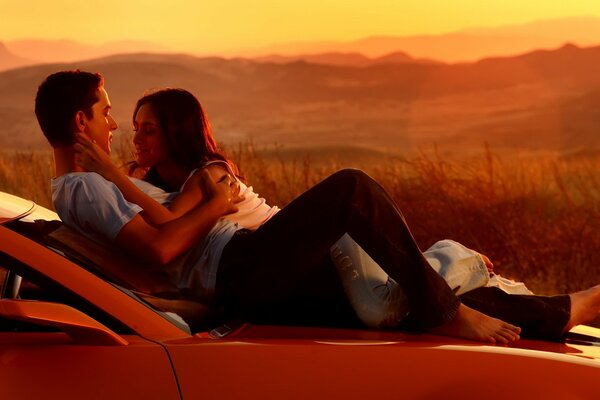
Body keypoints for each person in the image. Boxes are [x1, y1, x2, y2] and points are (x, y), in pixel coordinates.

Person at [32, 71, 593, 344]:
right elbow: (164, 245)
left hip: (242, 269)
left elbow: (158, 237)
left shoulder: (88, 187)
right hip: (238, 265)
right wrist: (216, 206)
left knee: (383, 312)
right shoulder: (84, 188)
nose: (112, 124)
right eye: (105, 113)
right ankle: (454, 298)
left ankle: (566, 309)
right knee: (351, 188)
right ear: (80, 122)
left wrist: (127, 178)